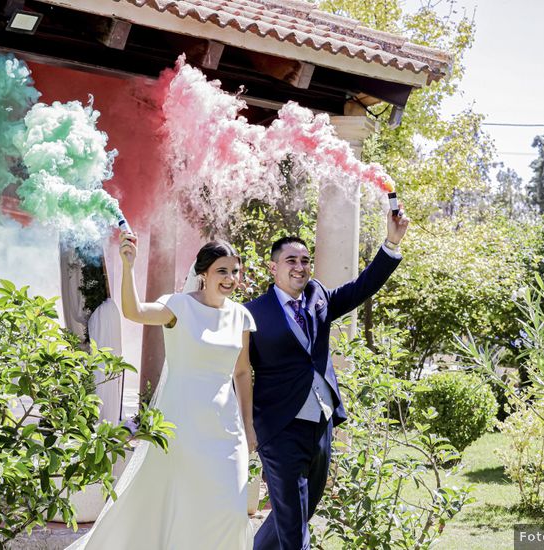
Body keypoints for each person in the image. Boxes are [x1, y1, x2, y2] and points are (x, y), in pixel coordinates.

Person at [69, 237, 256, 550]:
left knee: (233, 512)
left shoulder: (241, 316)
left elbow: (240, 372)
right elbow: (135, 311)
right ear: (204, 273)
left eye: (235, 272)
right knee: (183, 506)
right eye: (222, 270)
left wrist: (249, 424)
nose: (230, 278)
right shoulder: (179, 307)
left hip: (226, 430)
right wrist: (128, 266)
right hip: (182, 425)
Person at [248, 202, 410, 550]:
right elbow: (239, 372)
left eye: (305, 260)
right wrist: (247, 427)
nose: (300, 267)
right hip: (278, 427)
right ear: (273, 267)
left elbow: (360, 288)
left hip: (320, 423)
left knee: (298, 512)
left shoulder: (317, 295)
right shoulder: (252, 314)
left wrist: (391, 244)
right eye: (291, 260)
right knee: (293, 524)